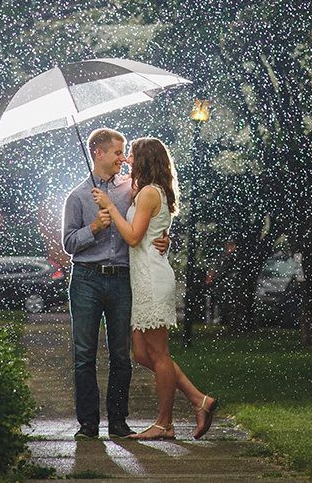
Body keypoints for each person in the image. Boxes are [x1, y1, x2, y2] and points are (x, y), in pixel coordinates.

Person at [93, 136, 218, 441]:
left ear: (145, 159)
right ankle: (198, 398)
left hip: (151, 278)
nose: (127, 159)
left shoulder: (149, 193)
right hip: (142, 278)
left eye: (132, 155)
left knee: (159, 354)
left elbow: (134, 238)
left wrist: (110, 205)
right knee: (142, 354)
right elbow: (149, 231)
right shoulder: (144, 191)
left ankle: (165, 423)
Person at [61, 128, 169, 440]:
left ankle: (119, 422)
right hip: (86, 279)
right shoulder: (78, 196)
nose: (123, 159)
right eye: (118, 153)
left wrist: (165, 239)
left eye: (124, 153)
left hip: (122, 279)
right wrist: (94, 227)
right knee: (84, 354)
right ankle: (88, 424)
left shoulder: (131, 191)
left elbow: (150, 221)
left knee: (121, 354)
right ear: (98, 152)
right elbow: (68, 243)